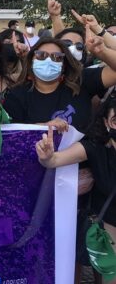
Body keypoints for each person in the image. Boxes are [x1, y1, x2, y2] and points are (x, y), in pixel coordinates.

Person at [35, 98, 116, 257]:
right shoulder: (95, 147)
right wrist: (46, 156)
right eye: (115, 120)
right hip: (111, 223)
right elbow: (54, 160)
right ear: (106, 123)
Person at [4, 35, 116, 134]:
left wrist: (103, 52)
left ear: (64, 65)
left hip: (81, 156)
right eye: (41, 55)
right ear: (31, 60)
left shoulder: (82, 80)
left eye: (57, 57)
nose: (48, 60)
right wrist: (44, 127)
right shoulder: (17, 95)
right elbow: (11, 135)